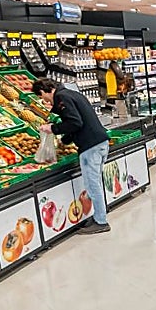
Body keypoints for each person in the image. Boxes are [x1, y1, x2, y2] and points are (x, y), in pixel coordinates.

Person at [34, 78, 111, 234]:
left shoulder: (62, 98)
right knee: (95, 183)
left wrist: (53, 128)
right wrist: (65, 140)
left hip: (91, 146)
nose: (43, 100)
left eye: (41, 96)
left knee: (92, 185)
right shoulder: (72, 93)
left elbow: (75, 122)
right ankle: (98, 215)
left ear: (43, 91)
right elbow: (77, 122)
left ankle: (101, 221)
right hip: (100, 142)